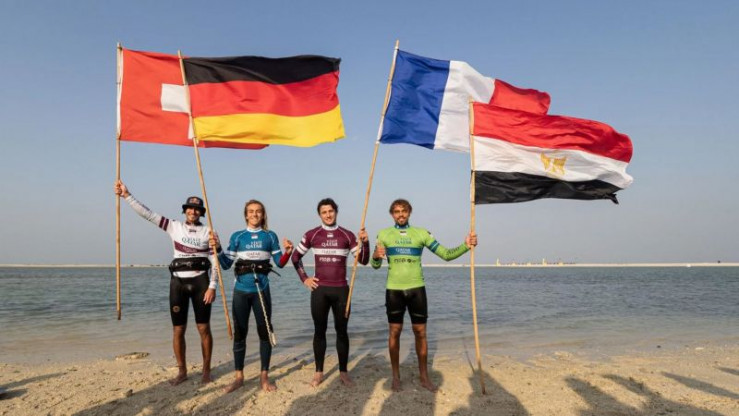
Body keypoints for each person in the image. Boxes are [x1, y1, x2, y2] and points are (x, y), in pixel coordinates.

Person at [114, 180, 216, 385]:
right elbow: (148, 214)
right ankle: (182, 371)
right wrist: (127, 196)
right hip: (178, 283)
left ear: (201, 213)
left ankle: (206, 371)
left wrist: (212, 286)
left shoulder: (209, 232)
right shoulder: (173, 226)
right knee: (178, 329)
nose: (193, 212)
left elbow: (215, 262)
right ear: (185, 210)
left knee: (203, 328)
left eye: (197, 209)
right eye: (190, 208)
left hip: (201, 282)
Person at [371, 198, 477, 393]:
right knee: (394, 332)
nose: (400, 214)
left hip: (417, 290)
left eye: (404, 211)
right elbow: (375, 265)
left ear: (409, 212)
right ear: (392, 214)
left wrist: (465, 245)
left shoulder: (421, 233)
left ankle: (424, 377)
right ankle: (395, 377)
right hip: (394, 290)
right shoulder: (383, 234)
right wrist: (376, 256)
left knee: (420, 332)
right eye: (397, 211)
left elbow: (446, 255)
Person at [213, 199, 293, 394]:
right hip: (241, 291)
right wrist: (218, 248)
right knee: (240, 334)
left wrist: (288, 252)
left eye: (258, 211)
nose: (255, 214)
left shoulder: (270, 236)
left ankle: (264, 376)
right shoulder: (238, 236)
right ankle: (239, 377)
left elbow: (280, 263)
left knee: (265, 333)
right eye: (251, 211)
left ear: (263, 215)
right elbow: (226, 264)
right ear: (246, 215)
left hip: (261, 290)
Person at [291, 198, 369, 387]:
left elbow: (363, 260)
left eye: (331, 211)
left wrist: (366, 243)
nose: (328, 215)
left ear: (336, 212)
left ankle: (343, 372)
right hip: (320, 291)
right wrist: (305, 278)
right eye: (324, 212)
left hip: (341, 290)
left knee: (342, 332)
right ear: (320, 215)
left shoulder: (347, 235)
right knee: (319, 331)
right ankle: (319, 372)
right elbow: (295, 257)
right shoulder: (312, 234)